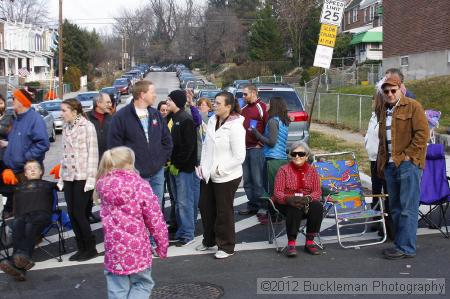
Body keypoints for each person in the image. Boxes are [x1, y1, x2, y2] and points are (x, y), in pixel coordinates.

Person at [95, 146, 168, 299]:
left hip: (114, 249)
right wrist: (162, 245)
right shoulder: (139, 185)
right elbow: (154, 218)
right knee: (142, 284)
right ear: (129, 164)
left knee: (117, 289)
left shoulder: (103, 185)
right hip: (137, 249)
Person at [377, 76, 429, 260]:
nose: (390, 94)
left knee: (408, 208)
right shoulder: (384, 110)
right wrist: (382, 163)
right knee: (396, 208)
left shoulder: (413, 106)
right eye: (386, 91)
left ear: (400, 89)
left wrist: (408, 156)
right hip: (391, 165)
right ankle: (400, 244)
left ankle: (406, 247)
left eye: (393, 90)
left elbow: (423, 134)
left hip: (408, 164)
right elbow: (383, 141)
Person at [197, 91, 246, 259]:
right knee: (205, 207)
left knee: (223, 211)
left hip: (227, 175)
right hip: (208, 173)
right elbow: (206, 146)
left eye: (218, 103)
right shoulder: (212, 120)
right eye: (214, 102)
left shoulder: (236, 126)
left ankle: (226, 246)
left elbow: (239, 156)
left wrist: (220, 169)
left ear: (228, 106)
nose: (215, 105)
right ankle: (208, 240)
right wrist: (203, 168)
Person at [108, 80, 173, 207]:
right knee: (137, 211)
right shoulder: (121, 117)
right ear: (142, 95)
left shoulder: (155, 114)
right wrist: (127, 169)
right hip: (134, 175)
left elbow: (167, 140)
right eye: (152, 92)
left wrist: (162, 160)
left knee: (155, 211)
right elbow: (114, 148)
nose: (155, 95)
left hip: (157, 173)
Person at [0, 160, 54, 281]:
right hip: (24, 216)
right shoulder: (18, 187)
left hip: (42, 215)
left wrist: (64, 174)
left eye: (36, 168)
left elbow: (64, 186)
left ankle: (16, 261)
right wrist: (3, 173)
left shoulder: (48, 184)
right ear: (25, 173)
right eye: (29, 168)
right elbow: (3, 189)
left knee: (30, 225)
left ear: (41, 171)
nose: (33, 170)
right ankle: (20, 267)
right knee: (17, 223)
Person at [59, 98, 99, 261]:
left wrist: (91, 180)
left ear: (74, 112)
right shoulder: (66, 127)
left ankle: (90, 248)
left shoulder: (87, 127)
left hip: (83, 176)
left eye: (64, 111)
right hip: (69, 176)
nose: (61, 114)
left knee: (80, 213)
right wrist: (61, 178)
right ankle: (81, 247)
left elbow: (93, 154)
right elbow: (63, 155)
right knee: (71, 213)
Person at [272, 141, 323, 257]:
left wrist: (308, 198)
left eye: (301, 154)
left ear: (307, 156)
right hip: (286, 202)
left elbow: (317, 191)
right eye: (294, 154)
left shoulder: (312, 170)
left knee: (317, 206)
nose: (297, 157)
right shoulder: (283, 170)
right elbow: (277, 192)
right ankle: (291, 243)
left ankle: (309, 242)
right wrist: (288, 199)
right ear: (290, 155)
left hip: (306, 201)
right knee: (294, 208)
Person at [251, 96, 290, 224]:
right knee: (277, 187)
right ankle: (276, 213)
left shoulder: (273, 121)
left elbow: (272, 142)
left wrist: (257, 134)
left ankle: (273, 215)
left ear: (274, 105)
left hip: (272, 158)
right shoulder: (284, 120)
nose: (266, 105)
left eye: (269, 103)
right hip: (281, 158)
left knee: (270, 187)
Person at [166, 89, 197, 247]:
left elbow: (189, 147)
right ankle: (181, 231)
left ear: (177, 101)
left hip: (184, 169)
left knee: (185, 202)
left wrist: (178, 164)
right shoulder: (173, 117)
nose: (167, 102)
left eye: (170, 100)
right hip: (173, 167)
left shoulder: (186, 119)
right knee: (178, 202)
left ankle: (188, 233)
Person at [2, 89, 50, 185]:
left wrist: (26, 158)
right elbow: (22, 142)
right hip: (15, 172)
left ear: (21, 101)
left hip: (28, 172)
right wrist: (7, 144)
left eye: (13, 98)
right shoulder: (17, 120)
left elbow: (43, 144)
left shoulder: (34, 119)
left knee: (31, 199)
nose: (11, 101)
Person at [365, 86, 393, 240]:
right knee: (376, 192)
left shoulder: (384, 116)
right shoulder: (373, 116)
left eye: (374, 99)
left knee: (386, 193)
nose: (372, 101)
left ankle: (388, 226)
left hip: (383, 159)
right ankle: (376, 220)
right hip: (373, 159)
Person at [239, 84, 268, 215]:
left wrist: (261, 143)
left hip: (256, 149)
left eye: (245, 94)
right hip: (244, 148)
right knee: (247, 179)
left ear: (254, 93)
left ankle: (263, 206)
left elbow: (268, 127)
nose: (243, 97)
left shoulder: (261, 107)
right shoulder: (243, 108)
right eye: (243, 94)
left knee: (257, 179)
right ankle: (252, 205)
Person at [86, 93, 113, 224]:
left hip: (108, 162)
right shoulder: (86, 118)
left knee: (107, 190)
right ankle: (88, 212)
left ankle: (108, 214)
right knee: (90, 189)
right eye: (107, 102)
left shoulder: (112, 118)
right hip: (91, 161)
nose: (110, 104)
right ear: (99, 104)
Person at [0, 93, 15, 218]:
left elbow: (15, 138)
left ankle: (8, 208)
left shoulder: (10, 117)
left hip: (5, 157)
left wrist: (7, 143)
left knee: (9, 185)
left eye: (0, 103)